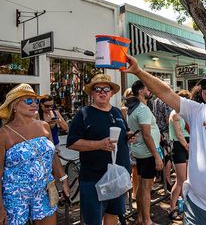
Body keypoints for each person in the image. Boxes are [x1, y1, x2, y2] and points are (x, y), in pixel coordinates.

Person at [122, 34, 206, 225]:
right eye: (205, 84)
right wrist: (138, 71)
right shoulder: (196, 111)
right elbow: (165, 92)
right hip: (196, 209)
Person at [67, 74, 133, 225]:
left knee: (112, 216)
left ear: (111, 93)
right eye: (97, 89)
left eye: (106, 89)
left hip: (117, 176)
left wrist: (128, 136)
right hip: (94, 179)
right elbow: (72, 142)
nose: (102, 92)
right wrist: (99, 144)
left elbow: (124, 132)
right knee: (94, 221)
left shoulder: (117, 112)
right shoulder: (84, 114)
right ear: (92, 93)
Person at [0, 84, 69, 225]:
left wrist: (63, 179)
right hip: (15, 195)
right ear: (15, 106)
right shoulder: (4, 134)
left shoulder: (43, 126)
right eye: (28, 101)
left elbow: (53, 156)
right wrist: (0, 206)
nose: (35, 104)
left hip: (44, 190)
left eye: (36, 101)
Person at [127, 80, 163, 225]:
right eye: (148, 88)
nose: (150, 91)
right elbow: (147, 135)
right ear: (141, 91)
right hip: (147, 153)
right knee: (146, 188)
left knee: (142, 187)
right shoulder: (142, 109)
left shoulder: (135, 108)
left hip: (140, 152)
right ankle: (147, 221)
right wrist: (157, 156)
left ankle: (141, 218)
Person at [168, 90, 191, 221]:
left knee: (186, 179)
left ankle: (183, 206)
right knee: (180, 179)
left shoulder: (183, 114)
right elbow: (178, 134)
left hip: (186, 145)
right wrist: (187, 147)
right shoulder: (175, 114)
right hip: (179, 146)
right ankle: (172, 209)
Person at [121, 88, 139, 199]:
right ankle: (128, 193)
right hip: (128, 140)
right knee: (130, 168)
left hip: (138, 139)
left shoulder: (140, 107)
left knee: (136, 169)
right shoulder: (124, 109)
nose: (131, 96)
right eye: (129, 94)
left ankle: (135, 193)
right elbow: (123, 126)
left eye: (133, 94)